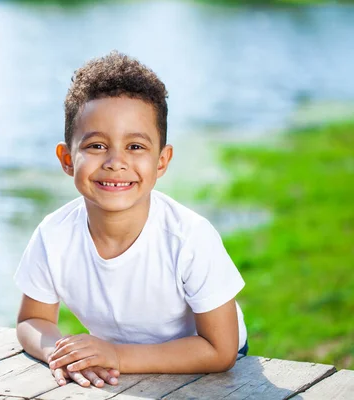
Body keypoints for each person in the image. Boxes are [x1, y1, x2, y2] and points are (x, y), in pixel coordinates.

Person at [14, 51, 247, 389]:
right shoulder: (54, 234)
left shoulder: (189, 238)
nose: (115, 162)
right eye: (96, 146)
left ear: (162, 161)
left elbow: (220, 350)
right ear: (67, 158)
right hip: (114, 363)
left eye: (136, 147)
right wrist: (62, 353)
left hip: (208, 367)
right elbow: (32, 320)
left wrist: (117, 355)